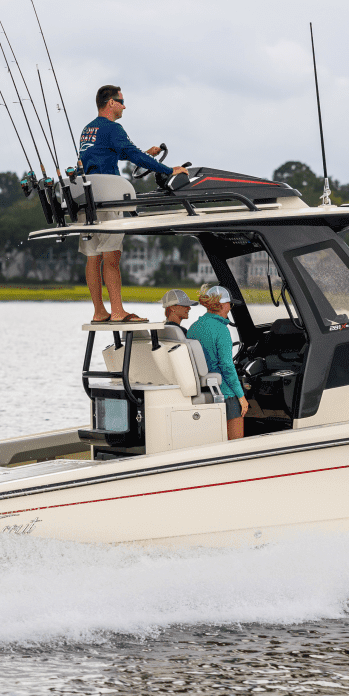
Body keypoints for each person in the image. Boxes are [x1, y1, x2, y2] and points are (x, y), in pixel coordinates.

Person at [77, 85, 190, 323]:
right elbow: (132, 155)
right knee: (111, 257)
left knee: (92, 257)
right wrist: (169, 169)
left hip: (86, 199)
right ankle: (118, 312)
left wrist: (146, 153)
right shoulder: (113, 127)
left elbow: (112, 153)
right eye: (121, 101)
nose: (124, 106)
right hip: (108, 199)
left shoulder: (88, 130)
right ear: (110, 103)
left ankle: (99, 311)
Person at [187, 285, 246, 439]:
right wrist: (241, 396)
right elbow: (227, 366)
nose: (230, 308)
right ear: (221, 305)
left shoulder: (193, 327)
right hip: (224, 392)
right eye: (230, 304)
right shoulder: (221, 330)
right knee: (237, 444)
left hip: (203, 389)